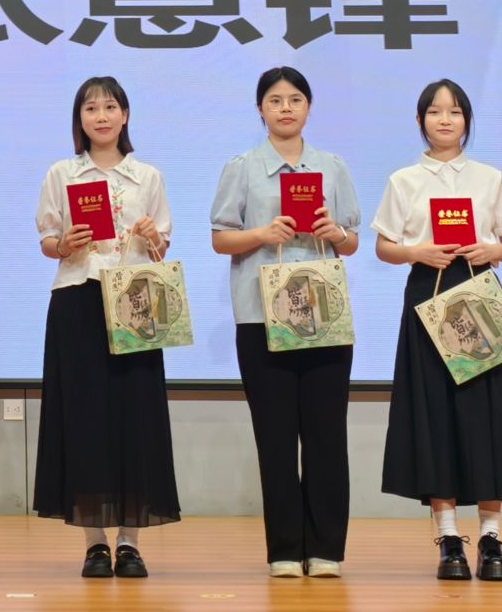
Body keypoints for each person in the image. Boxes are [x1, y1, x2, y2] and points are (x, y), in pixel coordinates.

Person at [373, 78, 502, 582]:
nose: (444, 119)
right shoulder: (404, 180)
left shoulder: (489, 177)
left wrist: (492, 250)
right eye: (434, 111)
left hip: (480, 290)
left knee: (489, 414)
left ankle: (490, 539)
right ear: (420, 120)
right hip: (428, 291)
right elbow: (384, 247)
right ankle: (448, 538)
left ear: (467, 119)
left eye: (455, 111)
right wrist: (416, 251)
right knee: (435, 415)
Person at [209, 66, 361, 579]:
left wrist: (334, 232)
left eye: (295, 99)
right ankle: (284, 550)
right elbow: (220, 238)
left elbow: (352, 241)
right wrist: (262, 233)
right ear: (260, 109)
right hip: (261, 317)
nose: (285, 108)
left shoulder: (333, 167)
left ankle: (326, 549)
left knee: (326, 435)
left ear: (309, 107)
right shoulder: (242, 168)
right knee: (275, 437)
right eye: (275, 100)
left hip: (324, 316)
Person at [32, 76, 178, 580]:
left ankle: (131, 543)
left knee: (136, 418)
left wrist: (153, 235)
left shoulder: (147, 176)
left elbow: (161, 246)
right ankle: (94, 543)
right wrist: (64, 244)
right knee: (85, 418)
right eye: (91, 108)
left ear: (125, 115)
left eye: (110, 107)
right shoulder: (62, 173)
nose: (101, 116)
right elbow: (47, 241)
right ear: (80, 119)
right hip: (77, 298)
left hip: (135, 300)